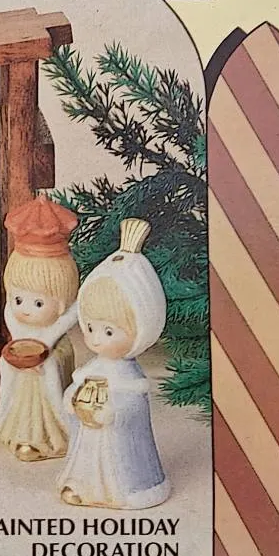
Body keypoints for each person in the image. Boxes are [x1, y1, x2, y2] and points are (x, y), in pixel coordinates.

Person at [58, 218, 171, 510]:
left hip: (116, 442)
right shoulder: (92, 368)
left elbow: (132, 409)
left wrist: (110, 413)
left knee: (114, 464)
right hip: (90, 433)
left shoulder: (130, 378)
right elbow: (76, 390)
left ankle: (119, 491)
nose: (95, 339)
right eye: (90, 327)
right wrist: (71, 399)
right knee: (86, 457)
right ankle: (82, 485)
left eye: (108, 332)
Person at [0, 195, 80, 461]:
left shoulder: (60, 323)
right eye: (19, 299)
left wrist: (45, 349)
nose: (25, 309)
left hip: (49, 356)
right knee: (10, 369)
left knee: (48, 368)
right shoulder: (14, 317)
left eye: (39, 302)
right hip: (24, 359)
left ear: (61, 302)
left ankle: (54, 430)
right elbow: (14, 326)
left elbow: (72, 315)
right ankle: (16, 429)